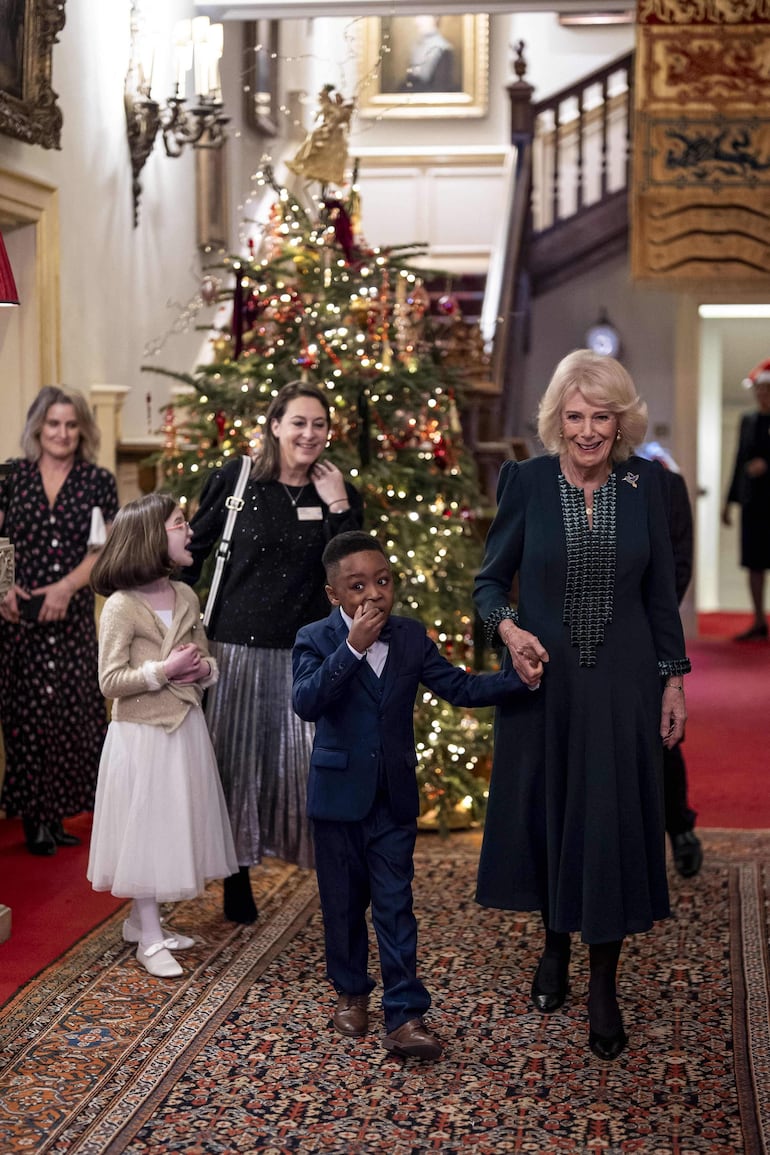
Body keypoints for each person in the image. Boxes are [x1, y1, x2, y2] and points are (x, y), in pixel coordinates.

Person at [473, 350, 690, 1062]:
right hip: (545, 686)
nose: (589, 431)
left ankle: (603, 983)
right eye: (575, 416)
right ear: (556, 419)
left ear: (621, 421)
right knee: (549, 818)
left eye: (602, 416)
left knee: (609, 825)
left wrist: (674, 680)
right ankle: (553, 947)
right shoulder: (526, 482)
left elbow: (661, 597)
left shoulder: (648, 486)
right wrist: (509, 631)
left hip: (623, 687)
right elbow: (488, 585)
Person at [292, 531, 526, 1060]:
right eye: (357, 586)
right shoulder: (313, 638)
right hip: (336, 800)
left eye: (382, 581)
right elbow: (307, 701)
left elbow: (460, 688)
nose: (373, 595)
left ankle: (405, 1015)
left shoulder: (410, 637)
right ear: (335, 596)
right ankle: (351, 991)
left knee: (396, 907)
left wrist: (520, 679)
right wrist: (351, 650)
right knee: (343, 905)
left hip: (392, 798)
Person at [184, 381, 363, 925]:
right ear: (275, 425)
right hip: (235, 647)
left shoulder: (338, 492)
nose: (310, 434)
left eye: (320, 425)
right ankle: (237, 880)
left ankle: (329, 878)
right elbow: (192, 551)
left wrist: (338, 509)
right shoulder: (236, 480)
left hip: (304, 651)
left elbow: (354, 573)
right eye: (299, 423)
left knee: (309, 769)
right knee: (234, 765)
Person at [87, 494, 238, 979]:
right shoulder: (121, 607)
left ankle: (140, 920)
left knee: (174, 823)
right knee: (145, 830)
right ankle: (150, 938)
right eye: (179, 524)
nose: (189, 531)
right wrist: (163, 670)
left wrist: (201, 671)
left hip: (184, 728)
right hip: (141, 734)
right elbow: (110, 681)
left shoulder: (187, 596)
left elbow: (207, 658)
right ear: (153, 537)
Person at [0, 386, 119, 856]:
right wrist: (3, 590)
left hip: (71, 617)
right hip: (18, 617)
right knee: (25, 714)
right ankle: (33, 818)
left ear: (82, 430)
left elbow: (103, 549)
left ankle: (57, 814)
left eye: (71, 424)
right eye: (53, 424)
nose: (62, 433)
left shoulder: (97, 481)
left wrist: (67, 588)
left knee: (73, 712)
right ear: (38, 427)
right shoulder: (12, 478)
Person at [640, 443, 703, 879]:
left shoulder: (667, 484)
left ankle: (679, 827)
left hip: (647, 634)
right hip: (588, 639)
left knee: (662, 737)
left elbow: (680, 563)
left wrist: (654, 622)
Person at [722, 359, 770, 641]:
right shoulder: (748, 421)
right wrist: (729, 501)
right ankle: (758, 620)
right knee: (754, 562)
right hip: (753, 503)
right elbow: (739, 460)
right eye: (760, 391)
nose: (762, 396)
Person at [398, 16, 458, 93]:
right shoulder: (417, 46)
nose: (417, 21)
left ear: (435, 18)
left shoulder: (444, 48)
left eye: (422, 16)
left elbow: (440, 89)